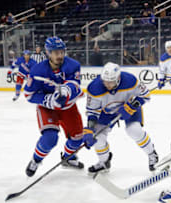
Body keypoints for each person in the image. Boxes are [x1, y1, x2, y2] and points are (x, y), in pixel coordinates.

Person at [23, 36, 85, 177]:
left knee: (78, 138)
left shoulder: (73, 65)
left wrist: (65, 92)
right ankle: (36, 160)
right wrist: (48, 99)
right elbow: (29, 95)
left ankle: (68, 158)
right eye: (56, 52)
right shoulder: (37, 71)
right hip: (48, 108)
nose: (60, 55)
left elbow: (74, 85)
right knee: (50, 138)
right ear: (48, 53)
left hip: (68, 107)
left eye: (62, 52)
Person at [83, 62, 159, 173]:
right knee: (98, 138)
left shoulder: (130, 81)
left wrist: (132, 106)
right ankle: (104, 162)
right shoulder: (94, 88)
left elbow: (146, 95)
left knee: (134, 130)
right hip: (106, 112)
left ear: (118, 78)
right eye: (105, 81)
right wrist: (90, 129)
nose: (108, 84)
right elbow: (92, 112)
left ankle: (152, 153)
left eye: (111, 82)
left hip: (128, 107)